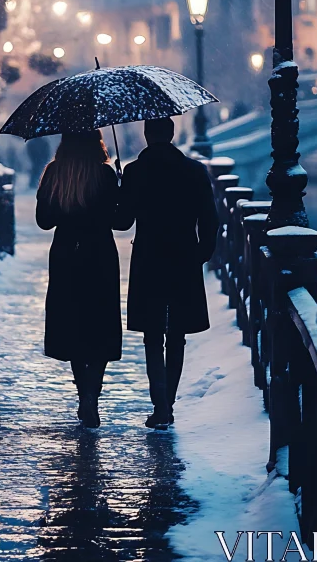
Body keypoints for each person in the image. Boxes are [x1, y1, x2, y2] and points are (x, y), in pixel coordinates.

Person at [114, 117, 217, 430]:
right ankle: (168, 402)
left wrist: (121, 188)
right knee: (177, 334)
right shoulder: (195, 171)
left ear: (147, 135)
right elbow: (210, 220)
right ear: (171, 135)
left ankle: (160, 404)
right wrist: (201, 254)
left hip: (149, 257)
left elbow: (122, 222)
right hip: (184, 255)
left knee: (152, 334)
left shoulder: (135, 171)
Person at [36, 130, 122, 428]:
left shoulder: (54, 172)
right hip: (99, 254)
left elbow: (44, 221)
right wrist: (119, 189)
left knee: (72, 323)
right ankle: (92, 395)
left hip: (66, 256)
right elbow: (122, 222)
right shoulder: (105, 174)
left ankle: (82, 392)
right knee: (99, 324)